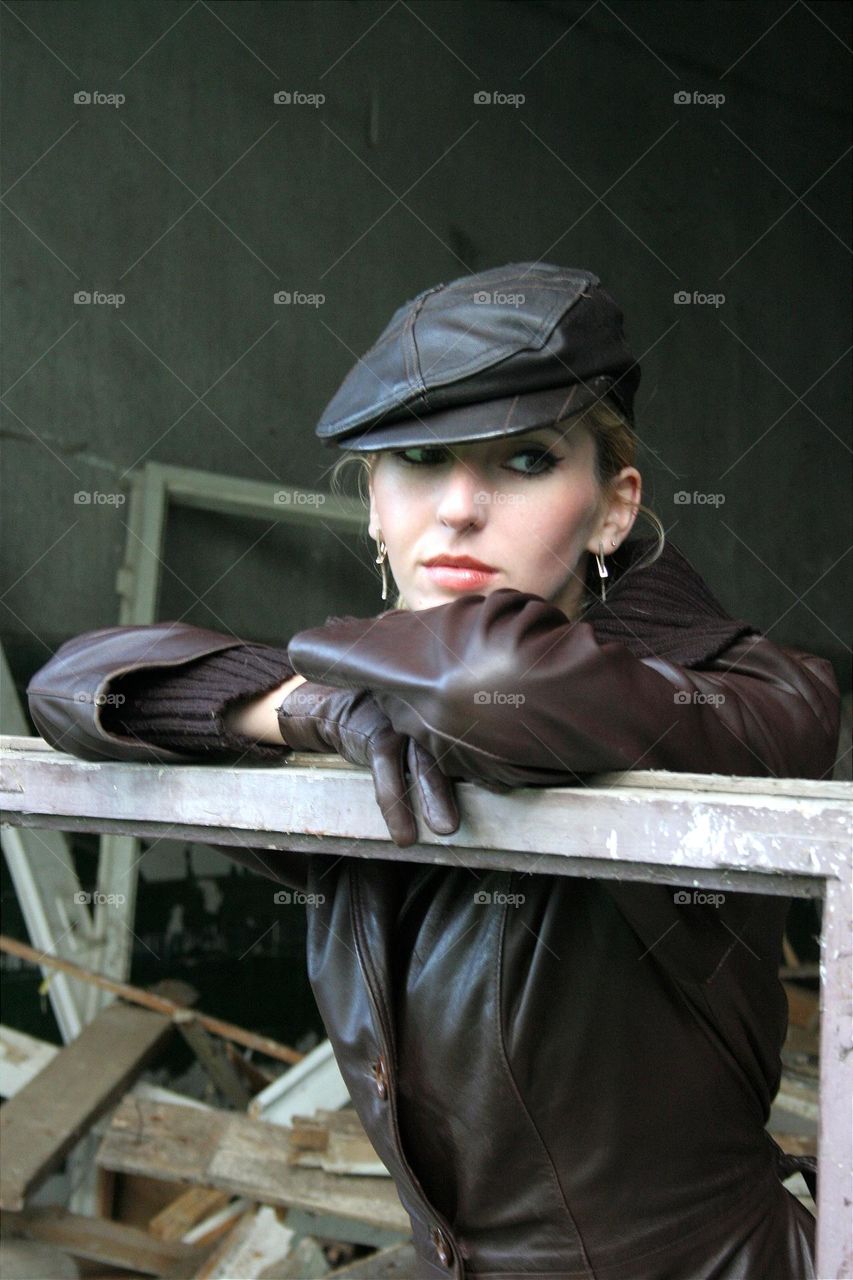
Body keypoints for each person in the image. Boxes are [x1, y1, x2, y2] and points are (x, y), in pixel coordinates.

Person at [26, 264, 840, 1280]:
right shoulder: (369, 722)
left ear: (612, 509)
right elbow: (69, 688)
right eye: (417, 459)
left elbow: (490, 680)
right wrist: (310, 710)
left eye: (526, 460)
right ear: (372, 504)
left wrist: (336, 682)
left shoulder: (753, 690)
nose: (458, 508)